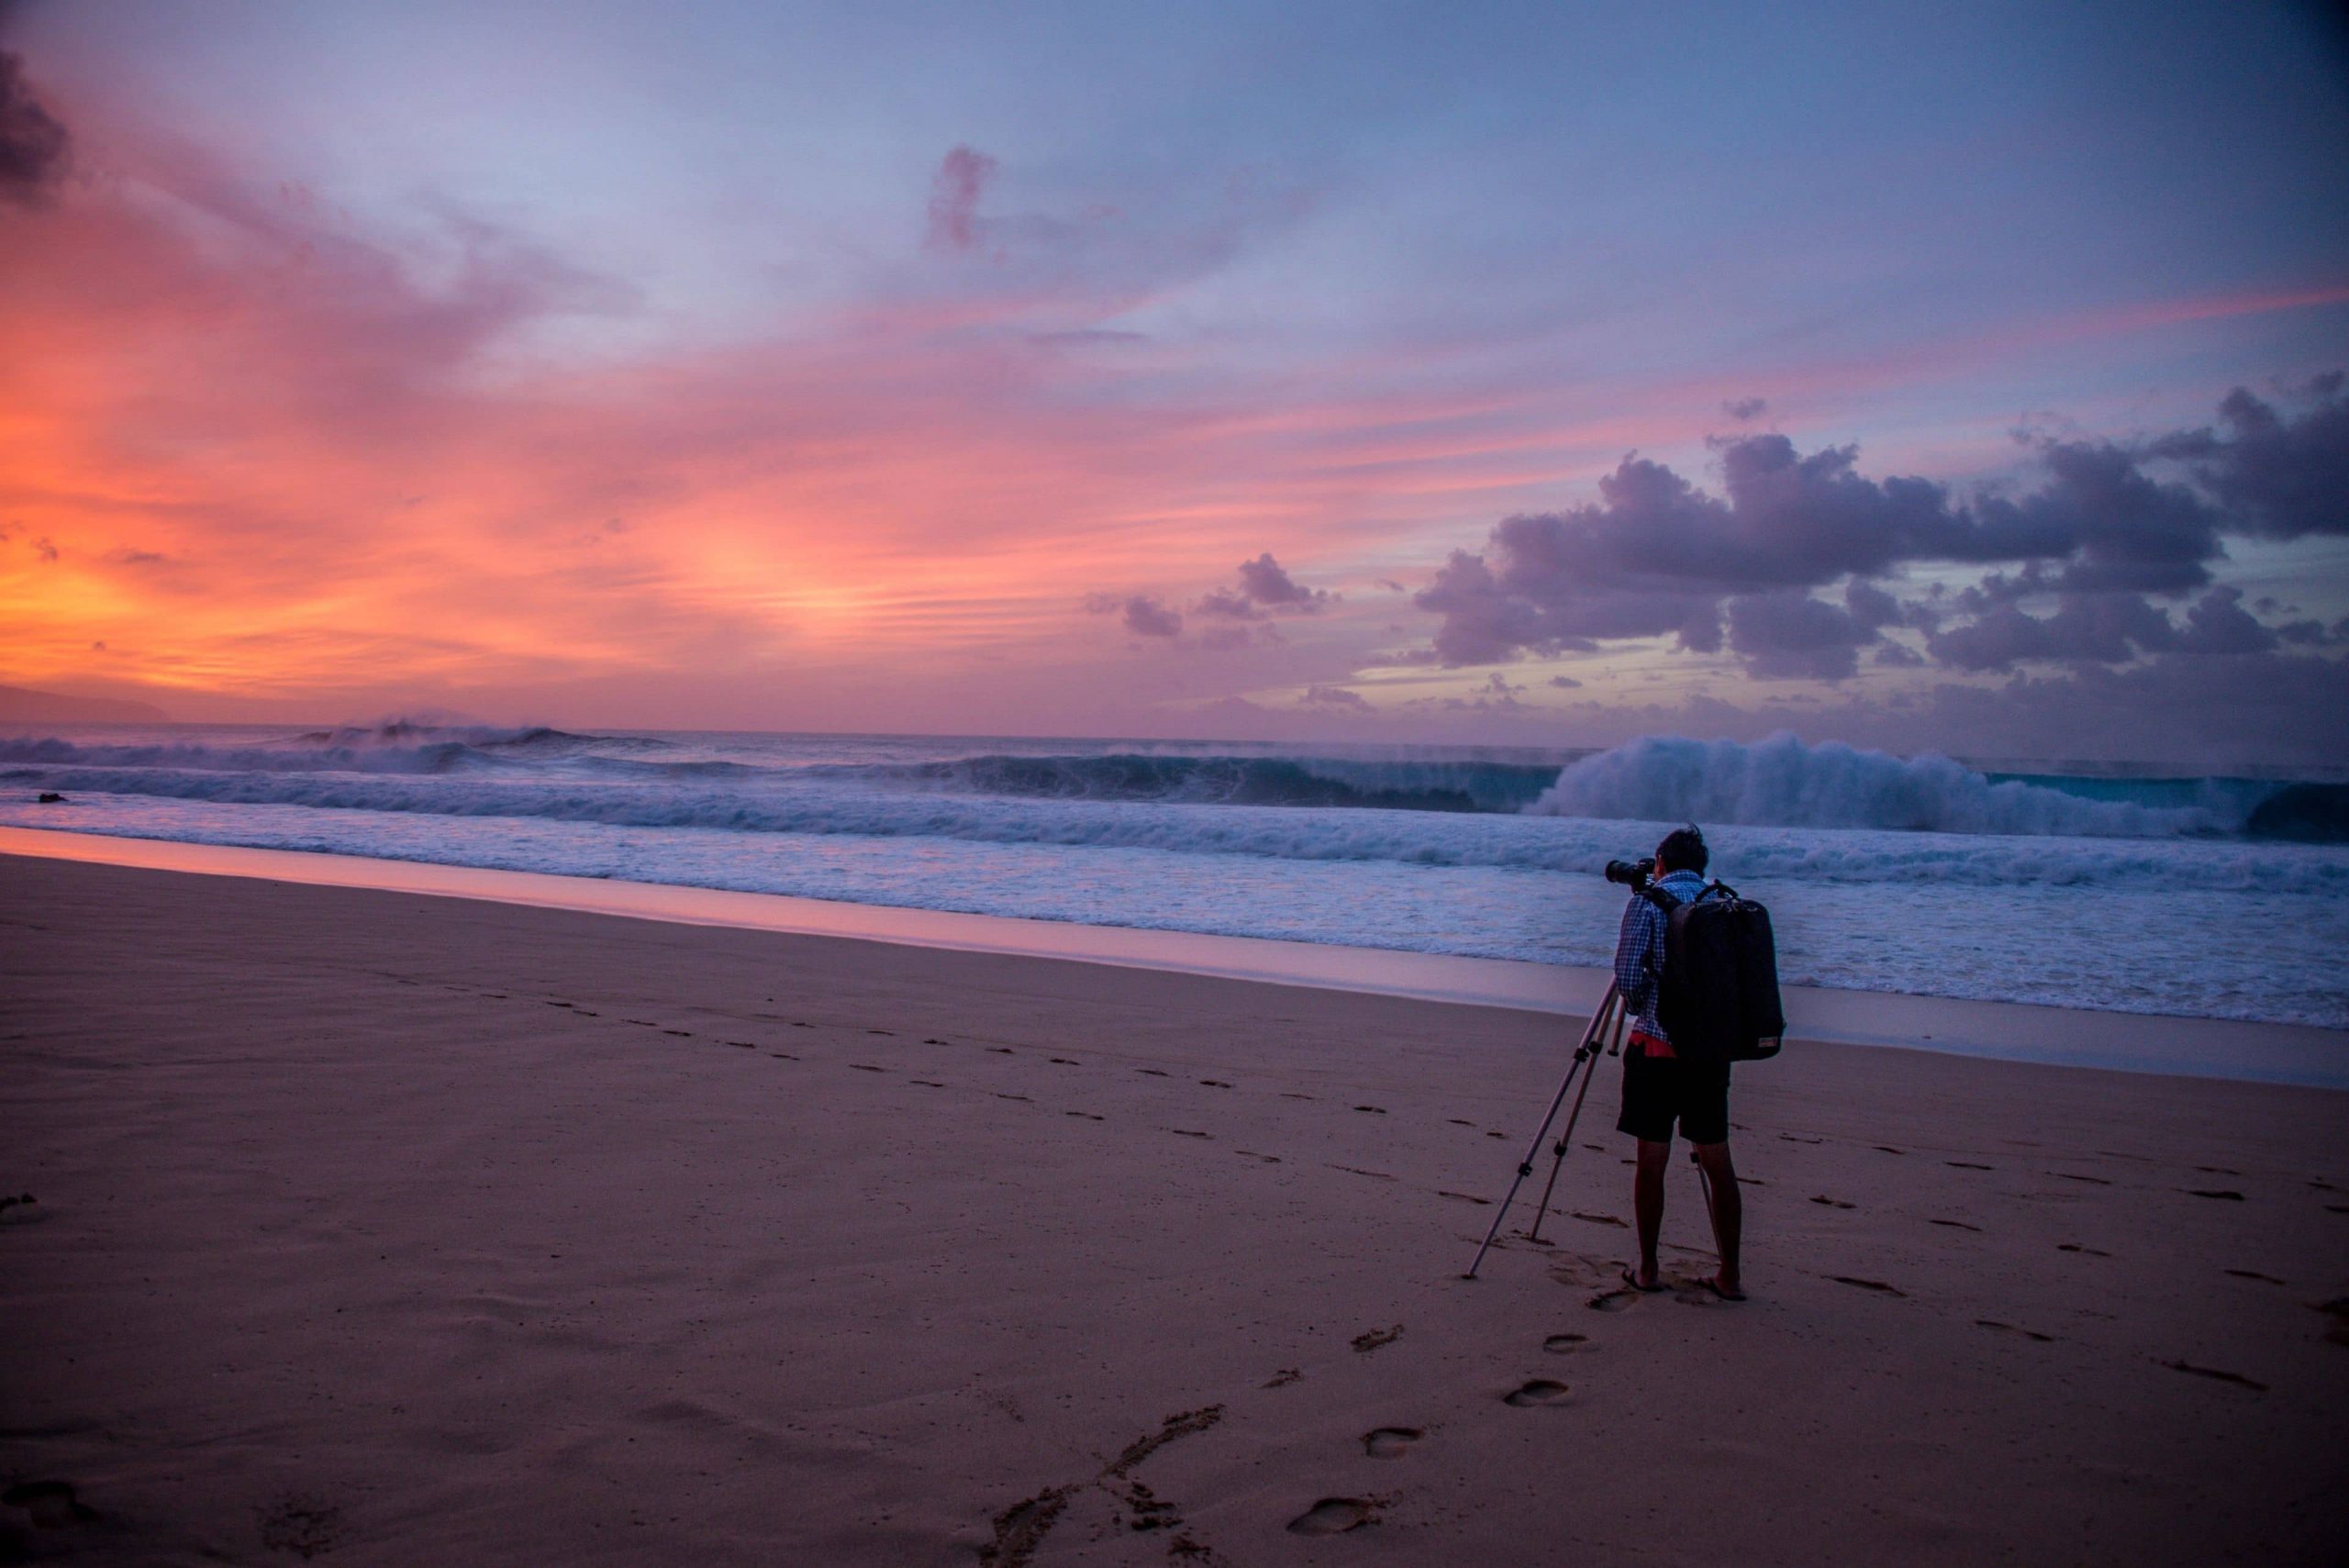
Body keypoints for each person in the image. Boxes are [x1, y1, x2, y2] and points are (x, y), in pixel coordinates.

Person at [1611, 824, 1744, 1301]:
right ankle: (1729, 1275)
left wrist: (1646, 1005)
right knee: (1718, 1162)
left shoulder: (1646, 904)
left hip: (1655, 1050)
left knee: (1652, 1160)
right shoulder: (1723, 904)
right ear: (1701, 866)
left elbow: (1628, 980)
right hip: (1709, 1055)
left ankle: (1647, 1269)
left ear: (1660, 862)